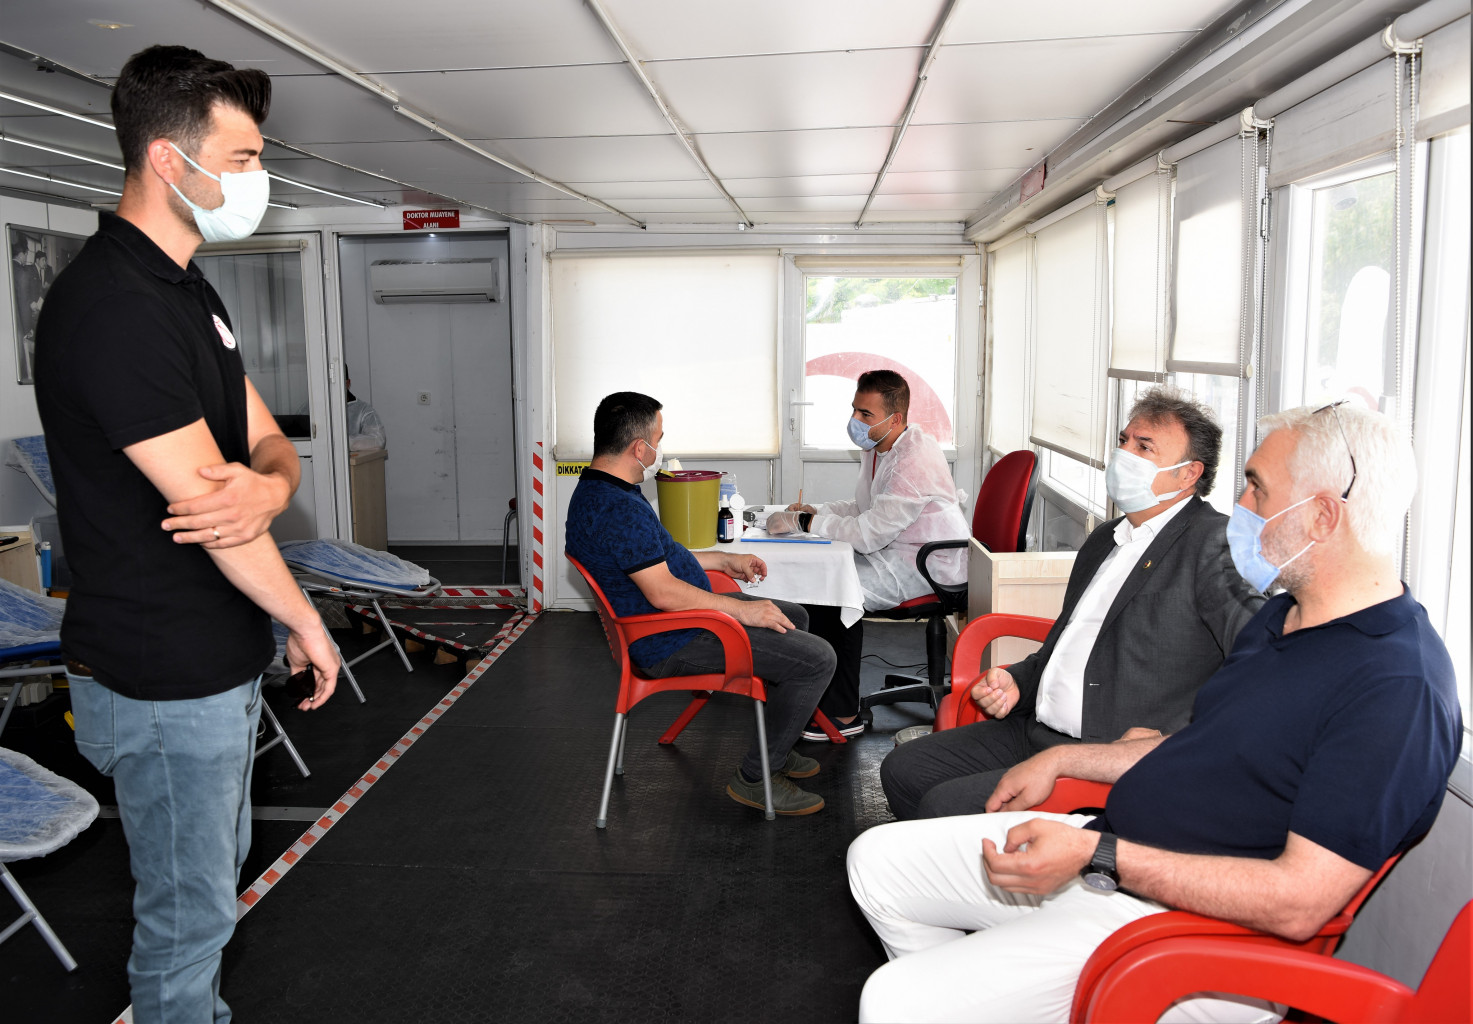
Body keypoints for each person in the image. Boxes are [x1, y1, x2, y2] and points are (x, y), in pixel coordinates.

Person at [846, 401, 1462, 1023]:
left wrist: (1097, 855)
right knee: (875, 864)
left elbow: (1299, 903)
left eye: (1257, 487)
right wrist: (1064, 760)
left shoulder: (1396, 688)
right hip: (1117, 856)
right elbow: (1207, 742)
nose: (1240, 506)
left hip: (1184, 924)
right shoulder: (1286, 619)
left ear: (1322, 516)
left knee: (891, 1000)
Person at [34, 45, 341, 1023]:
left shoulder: (185, 290)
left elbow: (267, 447)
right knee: (187, 917)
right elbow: (220, 519)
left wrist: (270, 485)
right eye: (243, 158)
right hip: (159, 671)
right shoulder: (114, 308)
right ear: (169, 160)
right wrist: (309, 620)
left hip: (212, 656)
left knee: (212, 885)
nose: (257, 179)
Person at [881, 387, 1264, 819]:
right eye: (1123, 441)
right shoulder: (1105, 539)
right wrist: (1018, 682)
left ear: (1188, 474)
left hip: (1103, 754)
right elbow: (1064, 647)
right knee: (903, 770)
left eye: (1144, 447)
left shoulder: (1214, 545)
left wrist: (1175, 736)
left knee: (945, 804)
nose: (1124, 455)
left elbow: (1264, 665)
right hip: (1036, 730)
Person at [565, 391, 836, 815]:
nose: (660, 448)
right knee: (818, 659)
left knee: (794, 616)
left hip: (674, 622)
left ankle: (776, 745)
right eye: (658, 439)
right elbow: (662, 591)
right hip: (669, 639)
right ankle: (756, 778)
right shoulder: (617, 508)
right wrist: (743, 610)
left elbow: (657, 558)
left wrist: (724, 560)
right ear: (639, 449)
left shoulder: (602, 489)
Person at [765, 369, 971, 740]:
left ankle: (842, 714)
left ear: (895, 418)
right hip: (898, 549)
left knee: (835, 594)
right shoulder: (882, 446)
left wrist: (806, 523)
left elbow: (867, 533)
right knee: (823, 584)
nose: (855, 420)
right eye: (855, 410)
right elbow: (866, 507)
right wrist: (817, 511)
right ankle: (815, 695)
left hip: (928, 563)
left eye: (865, 414)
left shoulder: (913, 460)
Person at [345, 365, 387, 451]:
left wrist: (343, 442)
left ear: (348, 383)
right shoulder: (319, 410)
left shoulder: (364, 411)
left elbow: (378, 440)